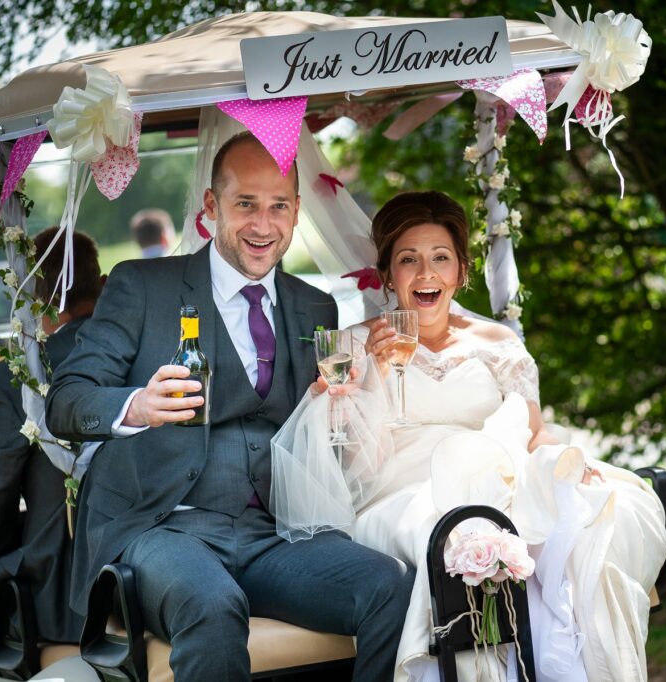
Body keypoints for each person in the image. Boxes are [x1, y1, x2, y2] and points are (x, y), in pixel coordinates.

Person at [45, 132, 414, 682]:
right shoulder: (142, 287)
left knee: (389, 584)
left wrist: (340, 404)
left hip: (272, 533)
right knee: (212, 606)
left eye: (279, 207)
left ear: (296, 212)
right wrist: (137, 406)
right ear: (212, 207)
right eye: (246, 204)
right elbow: (67, 403)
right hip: (163, 528)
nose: (263, 225)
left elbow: (316, 431)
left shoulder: (313, 307)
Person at [272, 191, 666, 682]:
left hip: (495, 479)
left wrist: (566, 458)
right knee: (452, 527)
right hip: (395, 495)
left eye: (440, 258)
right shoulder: (356, 343)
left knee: (579, 513)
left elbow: (534, 435)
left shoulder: (498, 344)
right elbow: (359, 468)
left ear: (461, 270)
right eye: (408, 260)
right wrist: (370, 373)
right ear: (388, 275)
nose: (425, 274)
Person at [0, 227, 105, 682]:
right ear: (102, 283)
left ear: (34, 302)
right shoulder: (143, 357)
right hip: (133, 576)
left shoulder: (14, 383)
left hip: (61, 597)